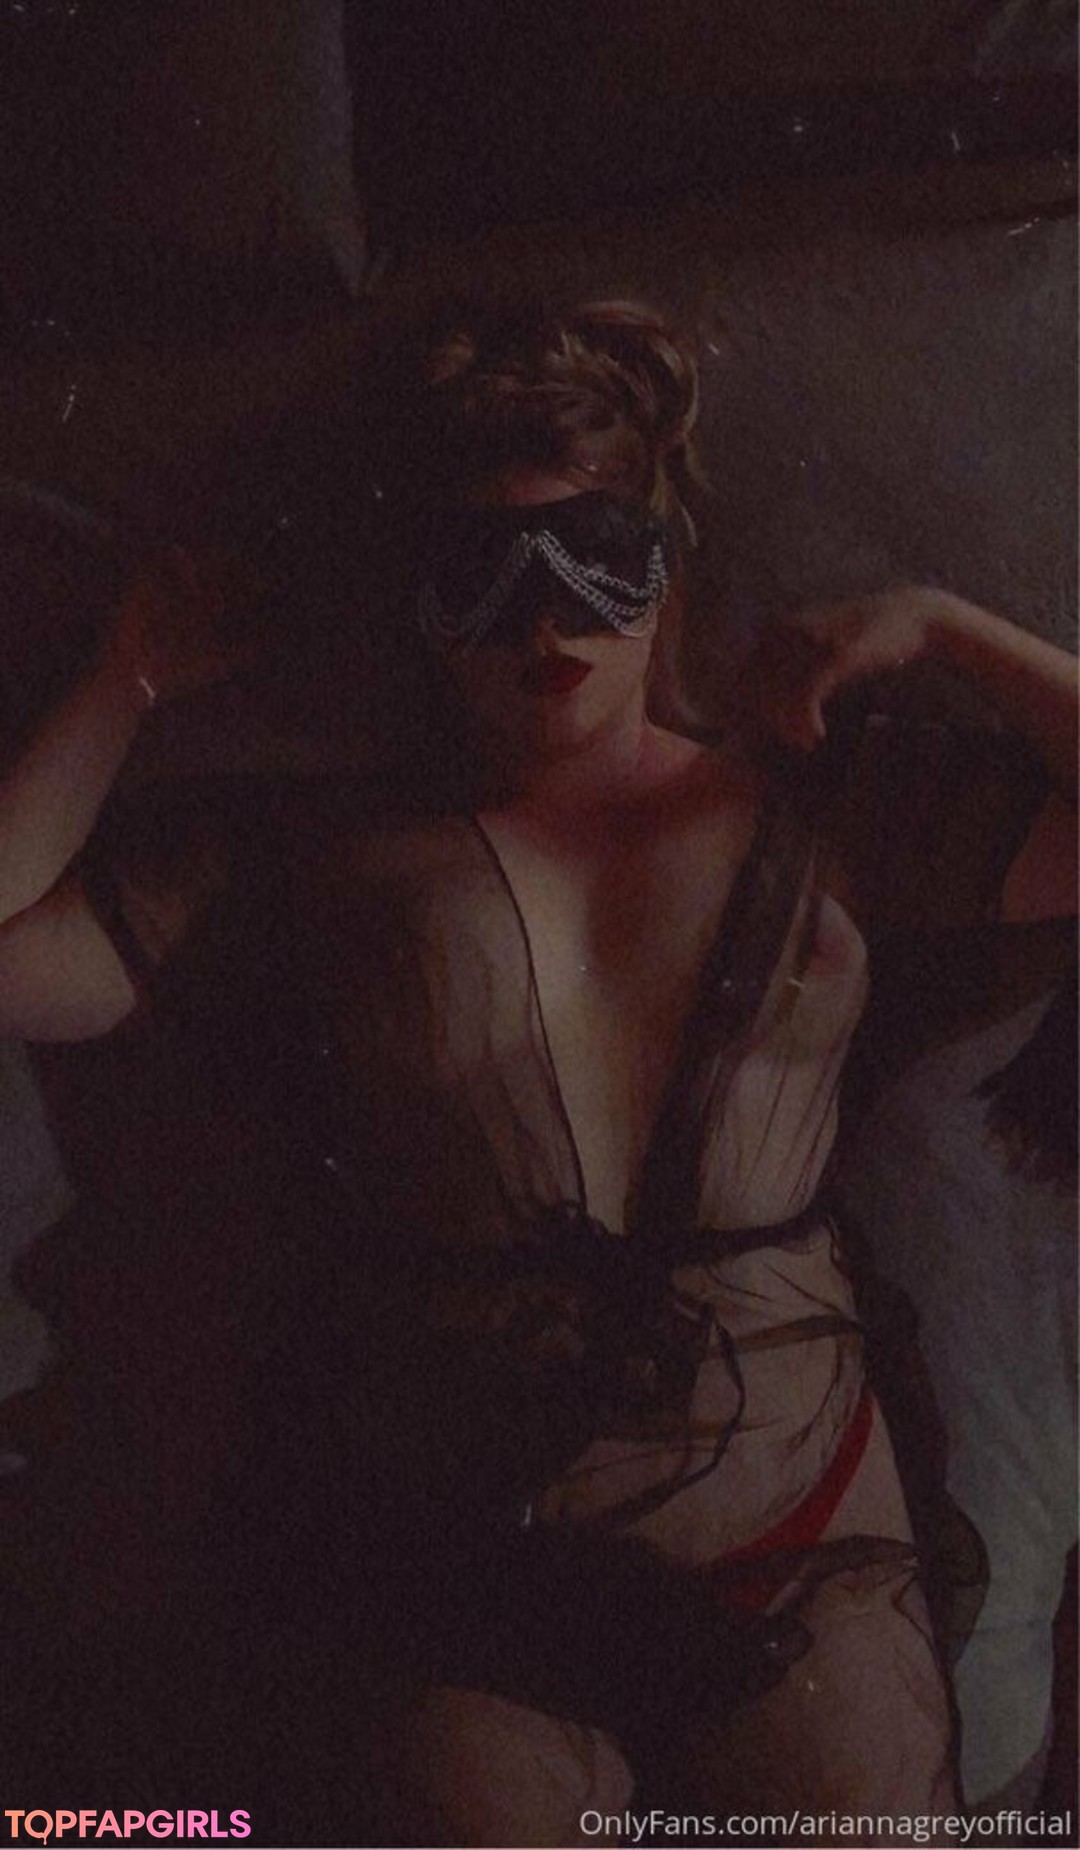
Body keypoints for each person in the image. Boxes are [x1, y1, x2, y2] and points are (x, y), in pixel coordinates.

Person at [0, 299, 1075, 1847]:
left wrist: (944, 624)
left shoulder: (821, 801)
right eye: (485, 573)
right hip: (465, 1570)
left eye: (596, 559)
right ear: (418, 606)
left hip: (795, 1538)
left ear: (670, 568)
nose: (545, 623)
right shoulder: (315, 857)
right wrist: (128, 680)